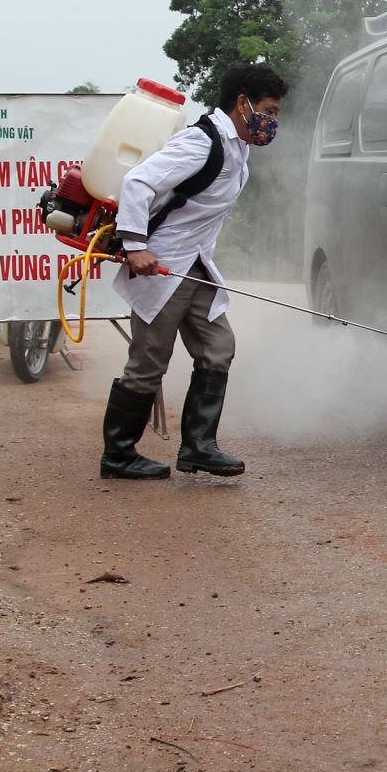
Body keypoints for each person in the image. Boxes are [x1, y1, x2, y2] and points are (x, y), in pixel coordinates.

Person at [98, 63, 289, 480]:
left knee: (218, 347)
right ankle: (118, 455)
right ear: (243, 104)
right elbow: (138, 182)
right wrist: (135, 246)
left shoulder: (238, 147)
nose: (272, 121)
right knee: (149, 362)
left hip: (194, 264)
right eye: (269, 111)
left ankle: (199, 447)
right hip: (160, 267)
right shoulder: (201, 143)